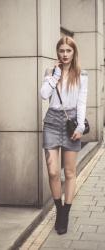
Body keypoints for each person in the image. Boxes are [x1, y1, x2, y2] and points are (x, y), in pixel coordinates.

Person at [40, 36, 88, 235]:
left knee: (69, 173)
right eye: (62, 50)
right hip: (52, 122)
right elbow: (43, 94)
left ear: (74, 52)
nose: (65, 54)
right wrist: (56, 75)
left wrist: (80, 128)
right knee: (52, 172)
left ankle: (65, 212)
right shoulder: (51, 73)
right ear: (57, 52)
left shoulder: (82, 75)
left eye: (69, 51)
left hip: (71, 124)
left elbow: (82, 102)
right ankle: (58, 209)